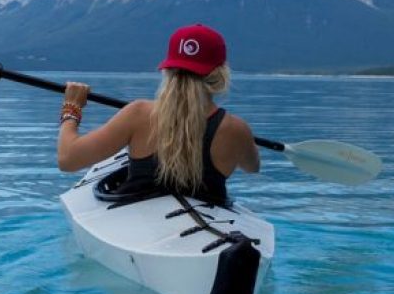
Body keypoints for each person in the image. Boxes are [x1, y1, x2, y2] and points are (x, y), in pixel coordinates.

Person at [56, 24, 259, 206]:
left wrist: (71, 109)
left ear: (167, 70)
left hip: (136, 222)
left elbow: (67, 159)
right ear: (220, 75)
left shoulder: (139, 114)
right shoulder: (236, 129)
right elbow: (252, 167)